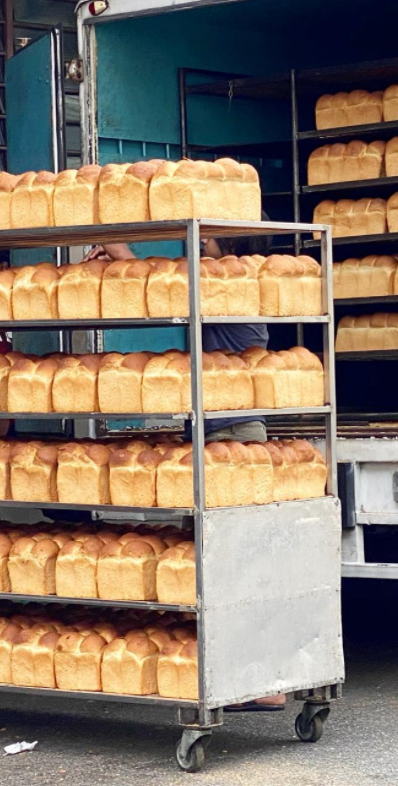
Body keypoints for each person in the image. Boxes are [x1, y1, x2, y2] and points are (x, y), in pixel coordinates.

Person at [85, 235, 286, 713]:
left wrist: (126, 255)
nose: (192, 252)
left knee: (233, 563)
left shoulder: (236, 288)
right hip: (210, 436)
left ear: (216, 241)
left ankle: (262, 682)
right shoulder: (219, 282)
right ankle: (220, 673)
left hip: (235, 438)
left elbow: (178, 296)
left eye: (202, 241)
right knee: (204, 562)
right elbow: (167, 292)